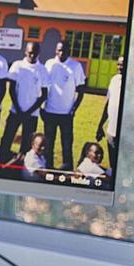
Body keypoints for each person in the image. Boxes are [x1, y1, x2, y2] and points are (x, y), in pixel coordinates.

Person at [0, 41, 49, 163]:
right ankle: (0, 164)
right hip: (15, 111)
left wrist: (28, 112)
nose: (32, 56)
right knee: (7, 139)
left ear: (39, 53)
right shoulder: (17, 65)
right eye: (30, 53)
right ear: (25, 52)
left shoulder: (42, 70)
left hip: (32, 115)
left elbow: (44, 95)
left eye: (35, 53)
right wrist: (19, 109)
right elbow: (11, 89)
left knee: (26, 143)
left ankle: (21, 168)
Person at [41, 40, 86, 170]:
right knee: (48, 144)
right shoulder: (49, 64)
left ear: (68, 51)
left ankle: (67, 171)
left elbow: (81, 90)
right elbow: (43, 87)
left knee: (67, 145)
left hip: (66, 114)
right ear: (55, 50)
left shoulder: (75, 66)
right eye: (58, 50)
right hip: (49, 112)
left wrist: (74, 109)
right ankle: (48, 168)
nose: (61, 53)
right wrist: (42, 107)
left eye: (64, 50)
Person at [97, 55, 124, 161]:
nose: (119, 67)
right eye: (118, 64)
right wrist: (100, 126)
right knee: (112, 163)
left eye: (122, 64)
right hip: (111, 131)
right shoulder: (114, 80)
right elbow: (108, 104)